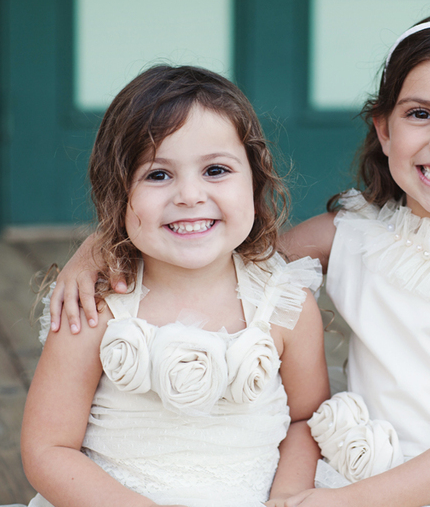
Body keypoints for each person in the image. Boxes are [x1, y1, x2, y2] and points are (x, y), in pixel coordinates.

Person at [48, 3, 430, 507]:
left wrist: (348, 503)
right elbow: (209, 244)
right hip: (356, 460)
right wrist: (97, 247)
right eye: (419, 114)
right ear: (384, 131)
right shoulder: (350, 232)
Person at [18, 65, 330, 507]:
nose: (189, 195)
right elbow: (48, 449)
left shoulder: (286, 305)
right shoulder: (95, 306)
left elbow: (306, 419)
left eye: (216, 170)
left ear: (255, 182)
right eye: (158, 175)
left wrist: (290, 495)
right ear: (118, 191)